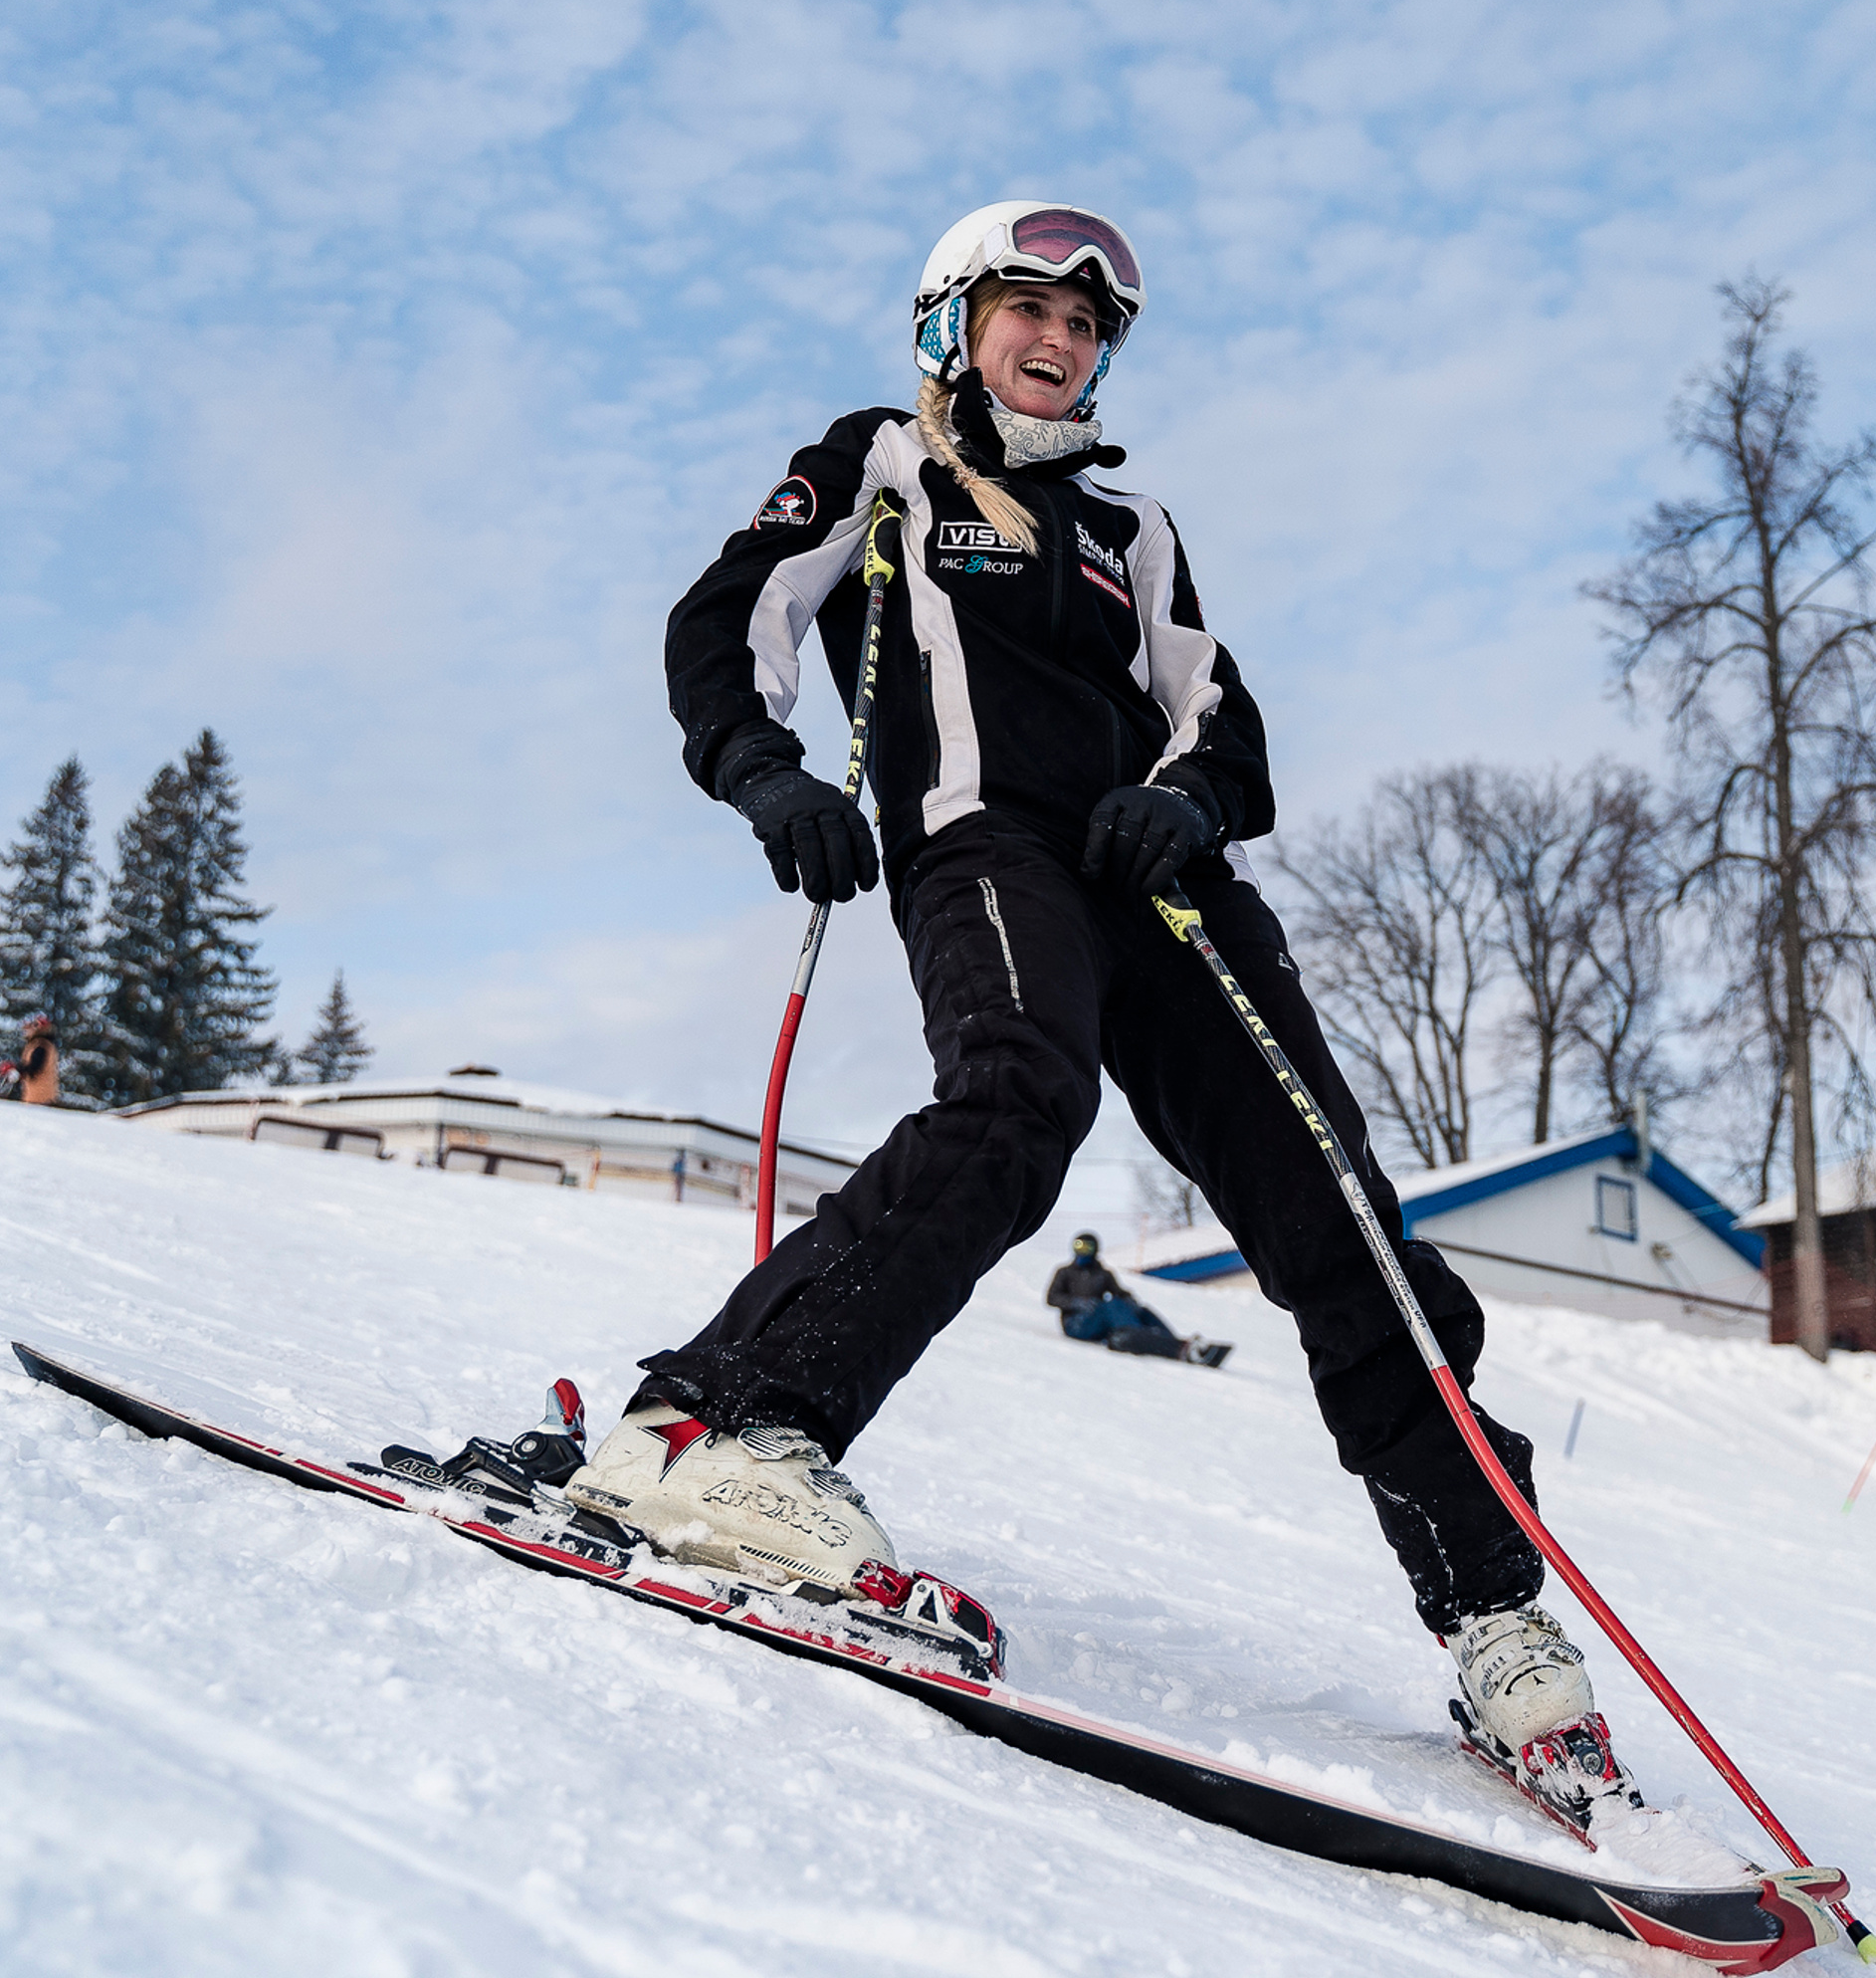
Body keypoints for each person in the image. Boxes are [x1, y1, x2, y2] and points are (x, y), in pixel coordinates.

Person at [563, 201, 1636, 1824]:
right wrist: (761, 767)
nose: (1061, 343)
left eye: (1088, 325)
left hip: (1162, 887)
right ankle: (710, 1430)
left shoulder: (1134, 533)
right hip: (986, 846)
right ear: (955, 322)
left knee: (1335, 1212)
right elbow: (729, 617)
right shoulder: (883, 464)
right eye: (1029, 312)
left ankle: (1491, 1608)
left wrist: (1190, 802)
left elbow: (1231, 727)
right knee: (1017, 1098)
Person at [1044, 1230, 1230, 1366]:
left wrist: (1130, 1302)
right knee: (1110, 1305)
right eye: (1079, 1246)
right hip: (1077, 1325)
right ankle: (1136, 1335)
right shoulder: (1065, 1272)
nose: (1082, 1251)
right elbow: (1052, 1297)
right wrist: (1078, 1303)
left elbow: (1119, 1292)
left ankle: (1171, 1341)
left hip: (1099, 1324)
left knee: (1140, 1309)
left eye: (1087, 1247)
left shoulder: (1103, 1274)